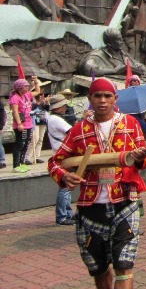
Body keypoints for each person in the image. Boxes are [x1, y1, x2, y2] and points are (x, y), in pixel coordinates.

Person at [48, 77, 146, 288]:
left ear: (115, 98)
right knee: (99, 268)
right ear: (89, 98)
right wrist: (64, 176)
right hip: (90, 207)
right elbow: (55, 162)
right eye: (97, 96)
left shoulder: (130, 124)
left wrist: (141, 158)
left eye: (107, 96)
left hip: (124, 202)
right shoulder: (78, 131)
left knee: (124, 265)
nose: (102, 100)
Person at [46, 94, 76, 225]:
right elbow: (73, 132)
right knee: (64, 186)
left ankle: (68, 213)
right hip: (62, 154)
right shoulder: (55, 119)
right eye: (63, 105)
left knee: (67, 187)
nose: (65, 108)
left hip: (61, 153)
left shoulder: (52, 118)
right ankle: (62, 216)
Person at [9, 79, 35, 173]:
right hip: (21, 124)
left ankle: (22, 163)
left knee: (26, 144)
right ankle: (16, 165)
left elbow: (38, 91)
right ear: (20, 87)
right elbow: (15, 111)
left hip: (28, 124)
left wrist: (36, 82)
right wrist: (19, 123)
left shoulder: (27, 95)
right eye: (25, 86)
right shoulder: (15, 98)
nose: (27, 88)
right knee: (20, 144)